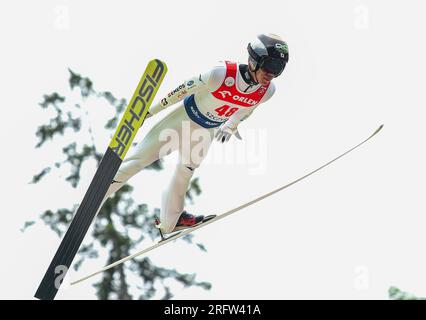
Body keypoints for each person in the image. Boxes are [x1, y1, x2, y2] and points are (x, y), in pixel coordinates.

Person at [100, 33, 289, 233]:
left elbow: (247, 110)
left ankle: (171, 221)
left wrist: (231, 126)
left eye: (279, 69)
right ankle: (100, 192)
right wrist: (149, 112)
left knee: (185, 172)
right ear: (254, 60)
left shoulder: (266, 91)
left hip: (207, 130)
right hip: (183, 120)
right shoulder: (221, 74)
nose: (272, 74)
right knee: (140, 160)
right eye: (271, 66)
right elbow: (182, 90)